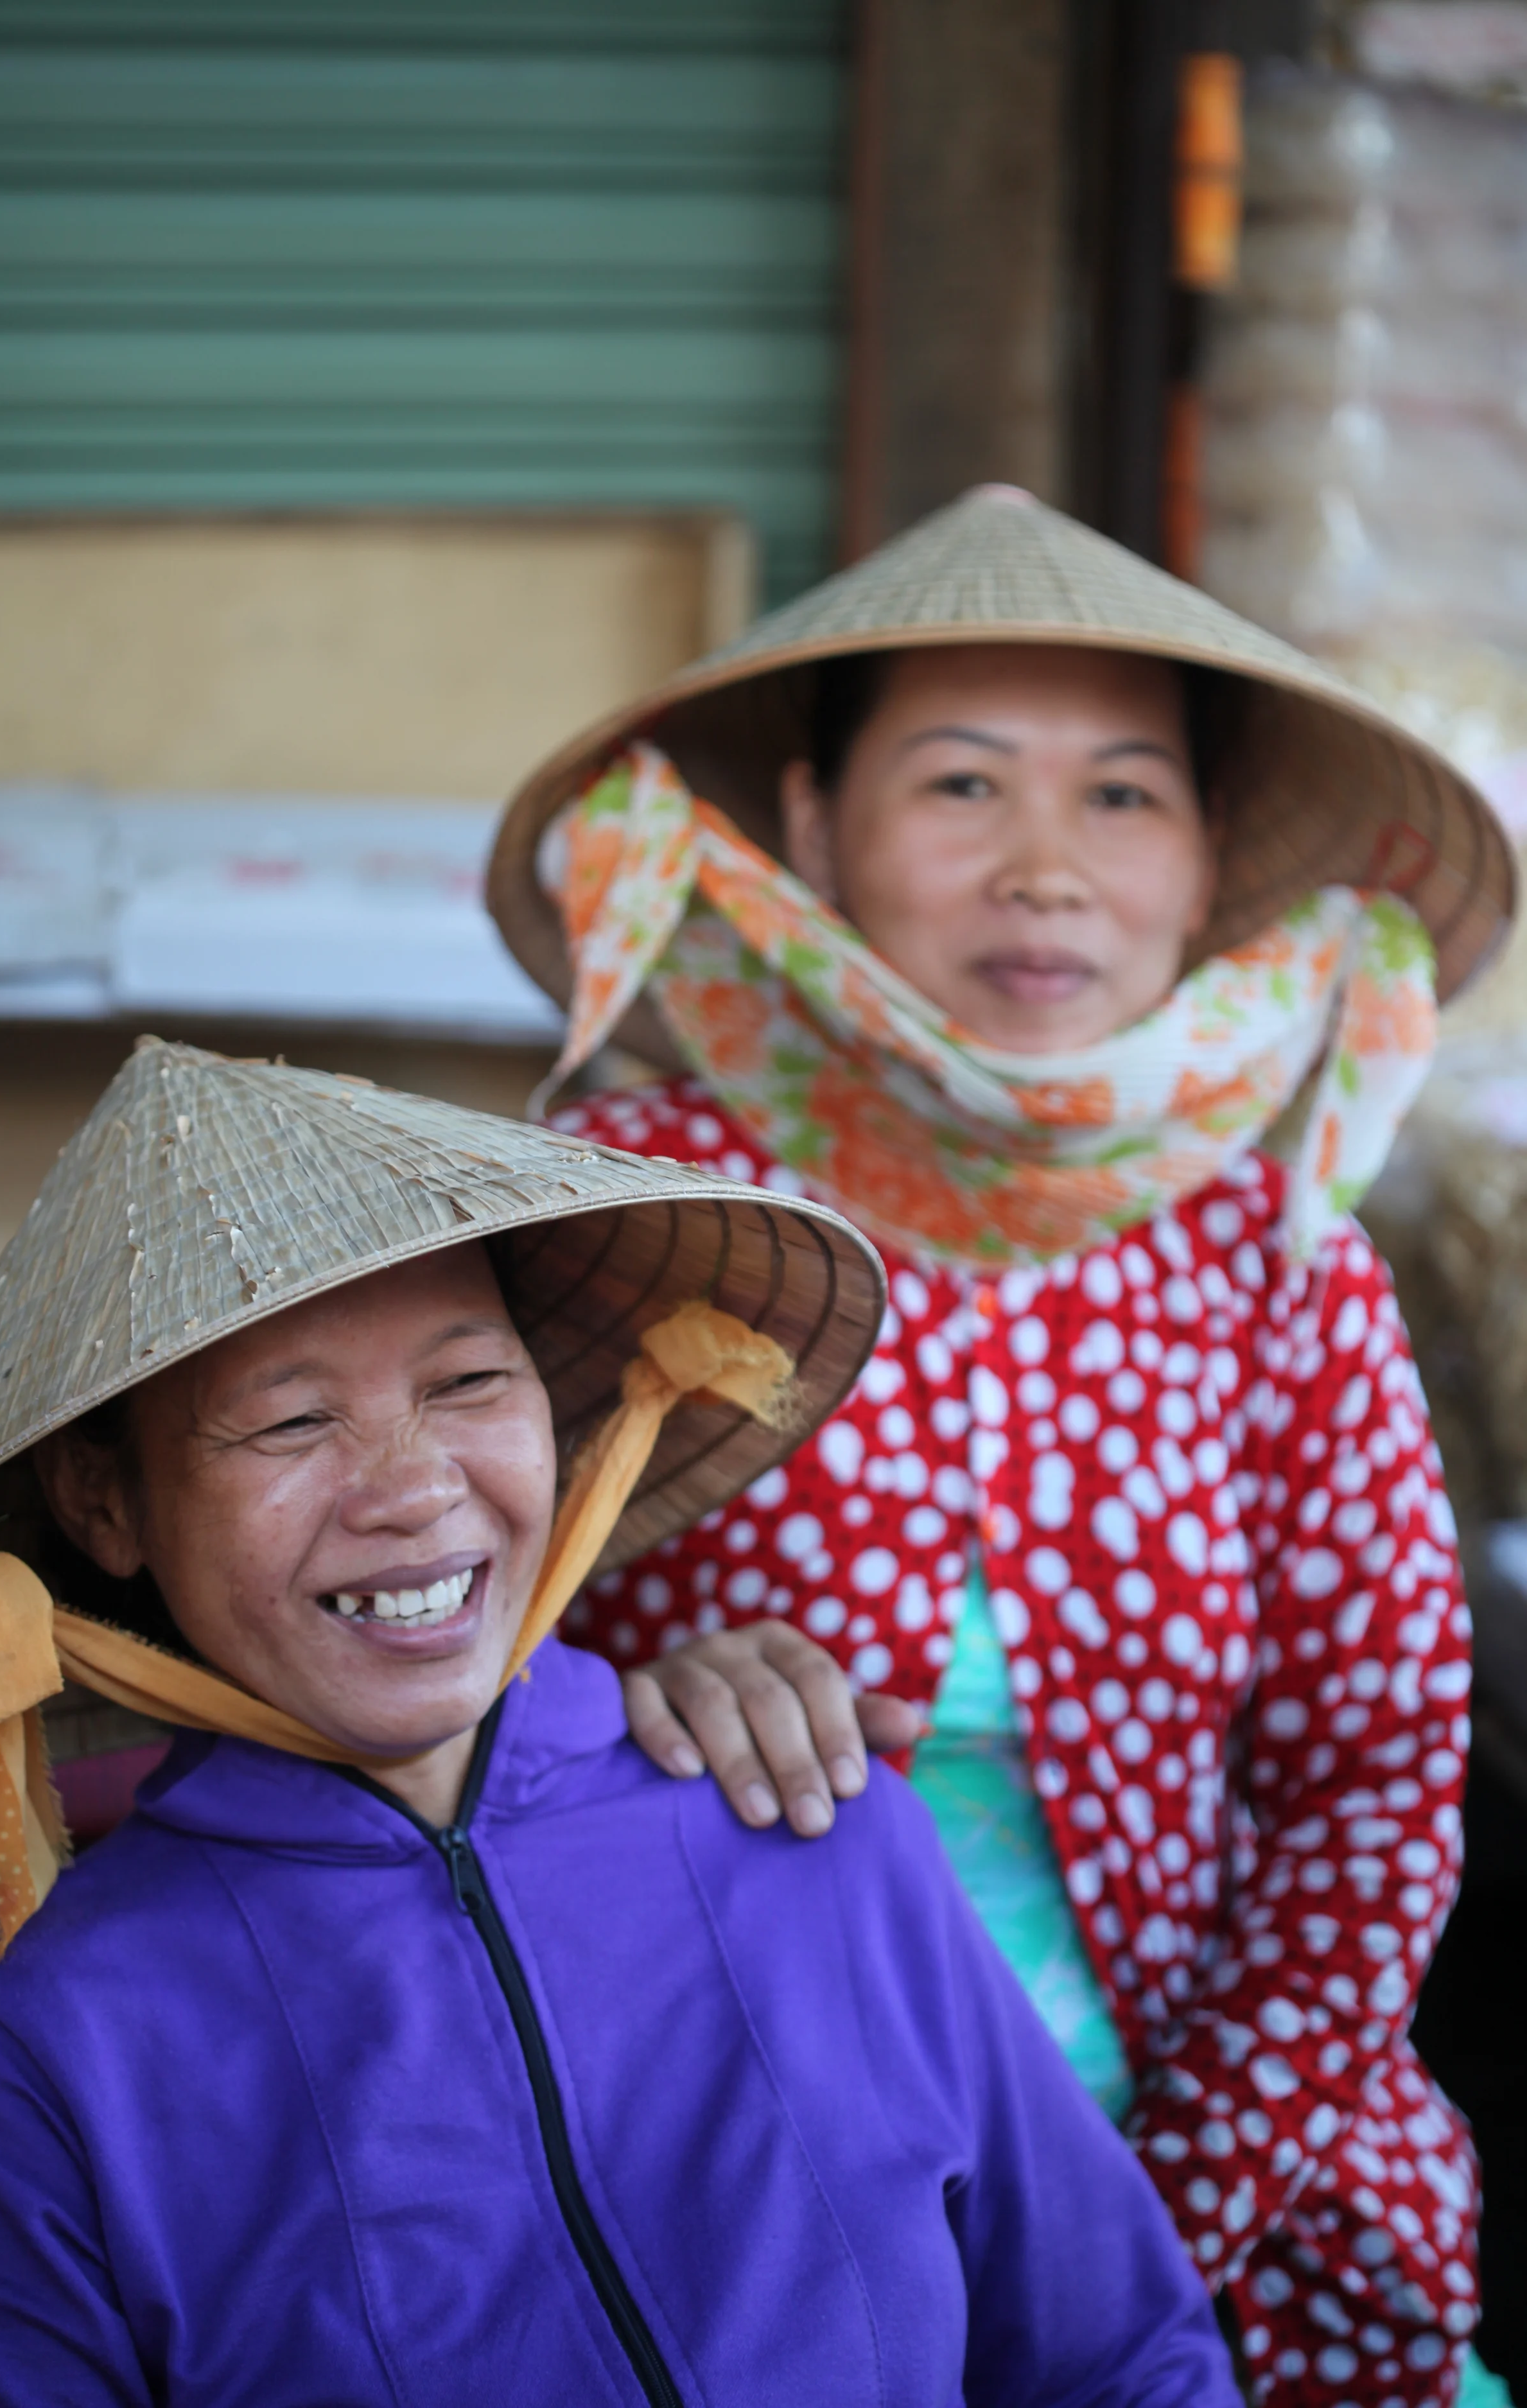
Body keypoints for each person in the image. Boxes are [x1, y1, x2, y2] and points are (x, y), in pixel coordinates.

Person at [484, 485, 1518, 2408]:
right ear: (809, 828)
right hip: (719, 2186)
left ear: (1206, 860)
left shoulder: (1279, 1255)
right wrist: (617, 1695)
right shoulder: (647, 1221)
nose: (1047, 865)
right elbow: (417, 1673)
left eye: (1122, 794)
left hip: (1238, 2190)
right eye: (962, 784)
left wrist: (1132, 2232)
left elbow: (1368, 1788)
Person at [0, 1037, 1239, 2408]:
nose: (413, 1492)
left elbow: (1125, 2361)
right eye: (292, 1421)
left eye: (467, 1385)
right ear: (106, 1507)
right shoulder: (13, 2050)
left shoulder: (812, 1828)